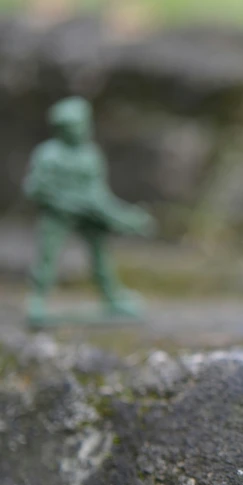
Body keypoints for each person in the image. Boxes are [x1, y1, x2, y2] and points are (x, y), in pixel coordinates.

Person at [24, 97, 154, 324]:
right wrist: (61, 201)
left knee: (101, 257)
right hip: (57, 214)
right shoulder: (49, 154)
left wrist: (123, 216)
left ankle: (111, 297)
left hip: (88, 214)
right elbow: (34, 188)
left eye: (83, 125)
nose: (81, 131)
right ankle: (38, 299)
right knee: (47, 256)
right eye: (74, 127)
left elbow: (98, 193)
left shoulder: (90, 155)